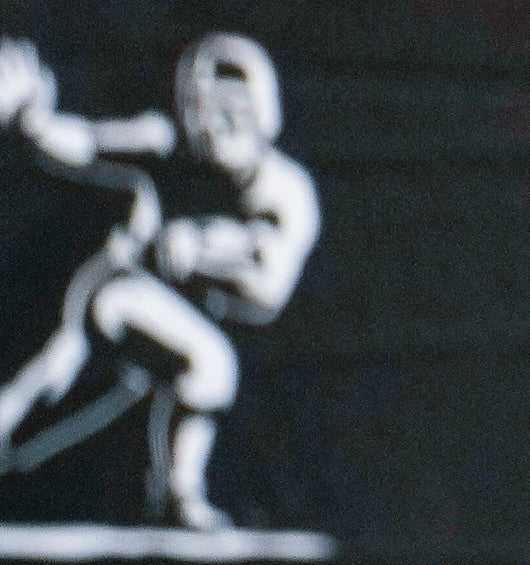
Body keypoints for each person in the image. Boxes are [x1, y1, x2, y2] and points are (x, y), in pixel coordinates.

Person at [0, 34, 319, 535]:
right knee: (209, 364)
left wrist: (210, 250)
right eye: (201, 106)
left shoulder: (286, 192)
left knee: (52, 401)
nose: (215, 121)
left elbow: (267, 291)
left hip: (143, 320)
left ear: (264, 109)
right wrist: (32, 121)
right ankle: (178, 497)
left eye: (232, 106)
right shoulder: (165, 144)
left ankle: (171, 495)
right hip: (117, 292)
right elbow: (85, 142)